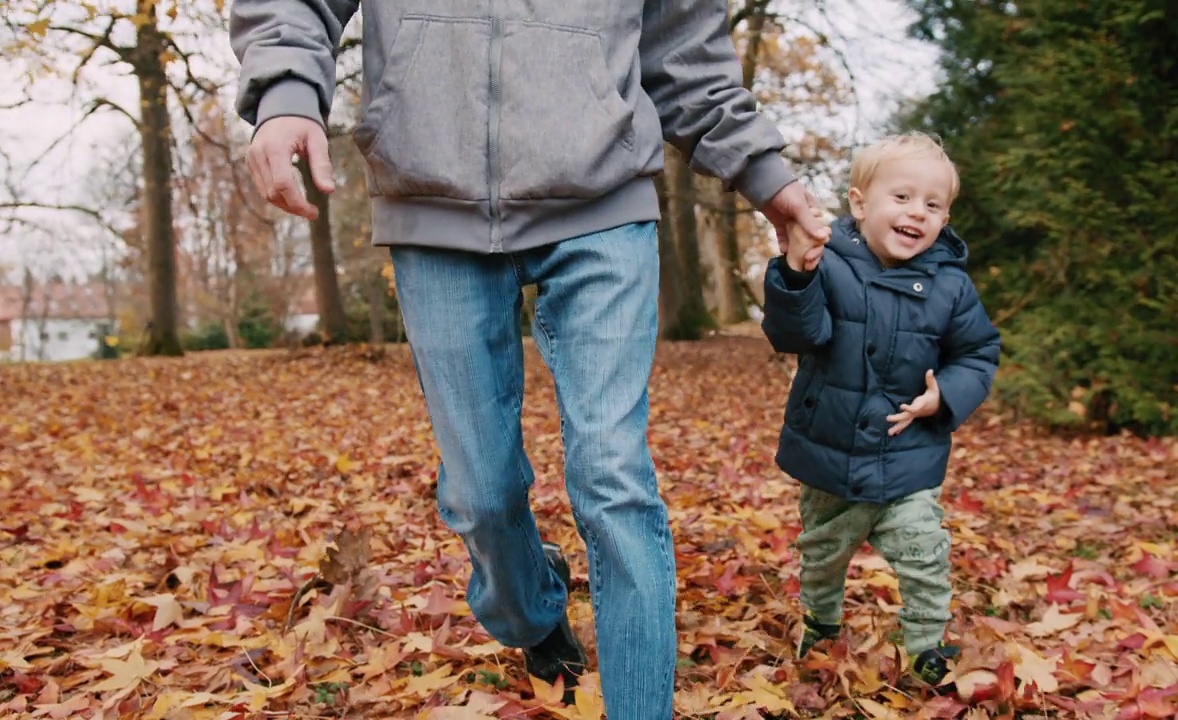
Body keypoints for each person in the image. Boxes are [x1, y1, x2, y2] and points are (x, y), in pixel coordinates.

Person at [229, 1, 831, 716]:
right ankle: (534, 609)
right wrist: (287, 93)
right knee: (480, 494)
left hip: (604, 197)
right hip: (432, 195)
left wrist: (765, 175)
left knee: (613, 475)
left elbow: (685, 46)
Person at [760, 131, 1001, 687]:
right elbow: (797, 332)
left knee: (925, 551)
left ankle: (925, 644)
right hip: (830, 453)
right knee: (821, 551)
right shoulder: (828, 264)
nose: (918, 212)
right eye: (903, 197)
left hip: (907, 454)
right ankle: (821, 622)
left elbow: (978, 351)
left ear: (944, 220)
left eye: (933, 205)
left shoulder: (952, 287)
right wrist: (795, 275)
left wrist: (947, 395)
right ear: (861, 203)